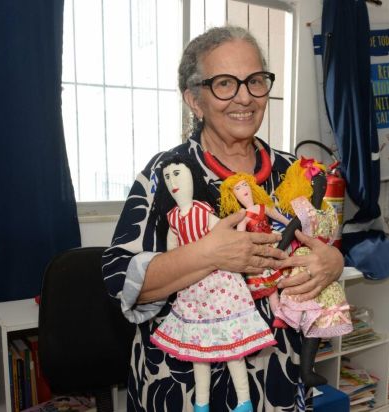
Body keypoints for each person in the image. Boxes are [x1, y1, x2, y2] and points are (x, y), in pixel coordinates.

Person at [101, 25, 344, 411]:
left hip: (278, 378)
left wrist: (333, 262)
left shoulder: (293, 170)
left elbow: (321, 238)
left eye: (255, 81)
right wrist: (210, 254)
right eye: (225, 84)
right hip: (183, 385)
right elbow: (120, 281)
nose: (245, 97)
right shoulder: (167, 173)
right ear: (194, 100)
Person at [148, 153, 276, 412]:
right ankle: (202, 403)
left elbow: (225, 237)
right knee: (199, 350)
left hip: (219, 285)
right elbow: (171, 252)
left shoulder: (203, 211)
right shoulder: (173, 218)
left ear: (192, 177)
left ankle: (244, 401)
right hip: (192, 287)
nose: (173, 181)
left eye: (178, 174)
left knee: (232, 348)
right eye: (168, 177)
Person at [218, 172, 290, 328]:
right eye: (238, 188)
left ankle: (290, 310)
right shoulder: (243, 216)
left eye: (245, 185)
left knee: (286, 276)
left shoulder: (263, 207)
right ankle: (279, 316)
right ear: (233, 196)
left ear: (252, 187)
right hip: (258, 250)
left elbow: (280, 218)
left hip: (274, 244)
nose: (243, 189)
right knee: (270, 287)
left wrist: (291, 225)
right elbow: (240, 237)